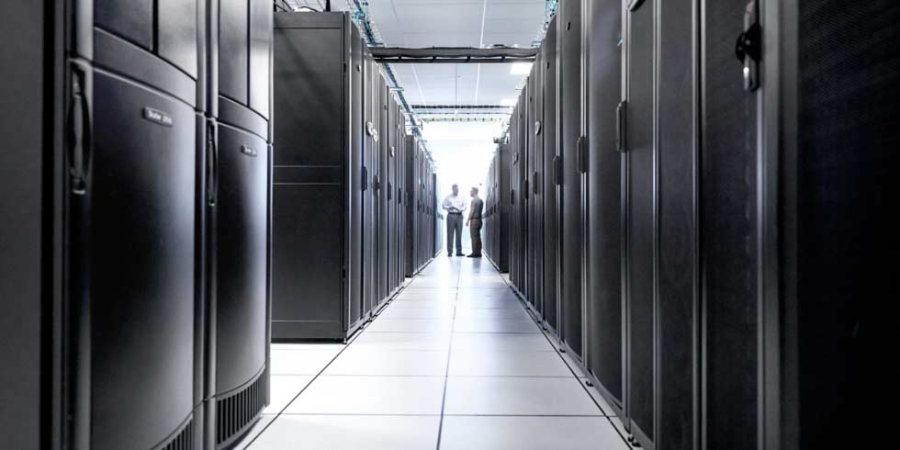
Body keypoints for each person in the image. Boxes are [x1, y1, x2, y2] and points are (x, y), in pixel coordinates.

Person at [442, 184, 467, 256]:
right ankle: (450, 252)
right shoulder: (448, 197)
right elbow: (443, 205)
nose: (457, 191)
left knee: (459, 234)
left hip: (459, 216)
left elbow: (465, 206)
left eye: (458, 189)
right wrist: (449, 207)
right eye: (455, 189)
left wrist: (461, 209)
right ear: (452, 189)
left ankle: (459, 251)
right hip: (451, 215)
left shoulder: (462, 197)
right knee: (450, 234)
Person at [466, 187, 484, 258]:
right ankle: (478, 252)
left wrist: (468, 220)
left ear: (474, 191)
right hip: (479, 220)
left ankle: (475, 253)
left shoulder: (474, 200)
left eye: (471, 191)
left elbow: (472, 211)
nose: (470, 192)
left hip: (474, 221)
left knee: (474, 237)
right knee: (478, 237)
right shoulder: (480, 200)